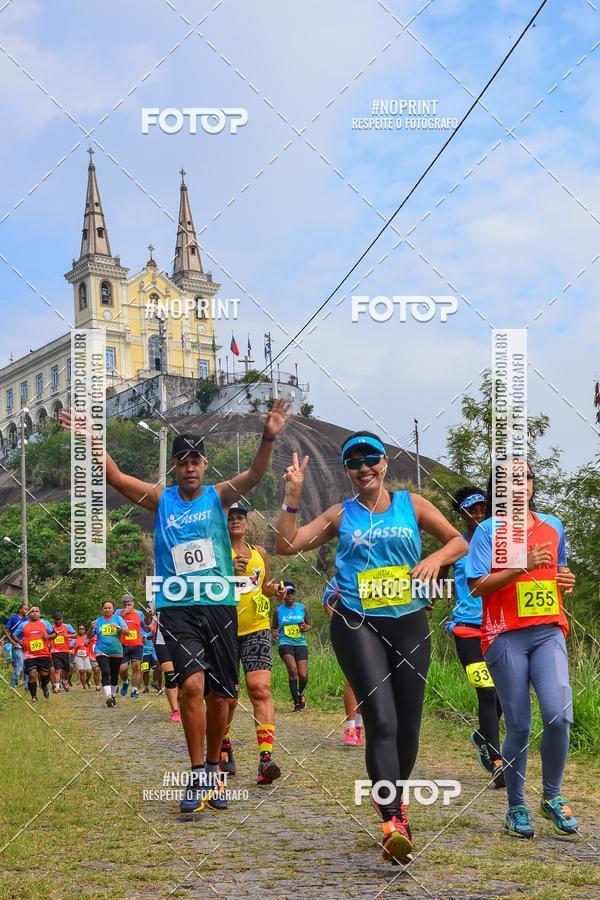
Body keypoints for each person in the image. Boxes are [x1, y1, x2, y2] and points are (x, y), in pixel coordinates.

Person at [61, 399, 291, 814]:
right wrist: (92, 440)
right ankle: (198, 769)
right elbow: (114, 477)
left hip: (220, 606)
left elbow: (256, 474)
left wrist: (269, 435)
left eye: (196, 461)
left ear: (204, 466)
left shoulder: (219, 496)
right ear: (174, 467)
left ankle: (218, 768)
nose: (189, 468)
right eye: (182, 461)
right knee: (191, 686)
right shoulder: (161, 499)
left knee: (221, 696)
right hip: (178, 607)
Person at [276, 434, 467, 864]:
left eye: (371, 459)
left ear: (384, 463)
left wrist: (437, 560)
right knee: (381, 718)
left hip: (409, 621)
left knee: (409, 726)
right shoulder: (340, 515)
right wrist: (292, 498)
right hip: (356, 621)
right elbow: (286, 545)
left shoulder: (412, 505)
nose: (363, 467)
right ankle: (393, 820)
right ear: (346, 471)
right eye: (353, 462)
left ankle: (395, 796)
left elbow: (459, 541)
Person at [467, 463, 579, 839]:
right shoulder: (486, 532)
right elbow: (478, 586)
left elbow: (558, 574)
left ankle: (552, 797)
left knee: (558, 714)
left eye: (525, 478)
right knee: (520, 723)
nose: (519, 485)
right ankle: (516, 805)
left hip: (548, 631)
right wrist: (520, 564)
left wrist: (566, 580)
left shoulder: (553, 525)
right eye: (508, 482)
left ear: (532, 486)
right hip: (504, 635)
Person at [445, 486, 505, 788]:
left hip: (498, 627)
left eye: (482, 508)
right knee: (487, 691)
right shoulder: (456, 547)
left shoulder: (498, 544)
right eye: (471, 510)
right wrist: (428, 598)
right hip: (467, 629)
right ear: (462, 515)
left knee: (505, 692)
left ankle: (483, 736)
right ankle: (497, 761)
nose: (478, 514)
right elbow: (435, 574)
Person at [223, 502, 286, 785]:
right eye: (231, 518)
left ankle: (265, 759)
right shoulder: (216, 553)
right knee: (228, 697)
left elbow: (261, 587)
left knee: (259, 688)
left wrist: (274, 591)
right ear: (224, 524)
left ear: (247, 524)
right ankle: (223, 744)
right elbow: (201, 586)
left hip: (257, 627)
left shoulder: (259, 553)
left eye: (240, 518)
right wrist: (226, 571)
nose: (236, 521)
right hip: (223, 629)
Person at [322, 577, 363, 747]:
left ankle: (359, 725)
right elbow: (327, 600)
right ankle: (350, 727)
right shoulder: (342, 575)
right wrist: (338, 622)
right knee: (352, 678)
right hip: (350, 631)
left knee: (367, 682)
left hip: (374, 630)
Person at [272, 582, 311, 711]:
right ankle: (297, 704)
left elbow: (308, 626)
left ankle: (300, 693)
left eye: (292, 593)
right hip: (285, 642)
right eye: (287, 593)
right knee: (293, 671)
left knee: (303, 675)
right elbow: (273, 628)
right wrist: (274, 632)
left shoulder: (302, 608)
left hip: (300, 643)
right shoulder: (278, 610)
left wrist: (306, 627)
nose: (290, 595)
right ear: (283, 595)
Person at [12, 606, 56, 702]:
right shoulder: (23, 625)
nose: (35, 613)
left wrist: (48, 636)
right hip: (29, 654)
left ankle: (44, 686)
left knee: (45, 675)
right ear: (29, 614)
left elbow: (54, 634)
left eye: (37, 611)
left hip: (43, 654)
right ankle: (34, 697)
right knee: (32, 674)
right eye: (32, 611)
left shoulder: (45, 623)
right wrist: (19, 641)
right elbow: (14, 635)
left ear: (39, 613)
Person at [89, 600, 128, 707]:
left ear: (113, 609)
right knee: (105, 671)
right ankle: (108, 696)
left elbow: (127, 632)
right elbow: (89, 636)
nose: (107, 610)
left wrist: (119, 627)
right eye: (105, 608)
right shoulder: (98, 621)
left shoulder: (118, 619)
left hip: (116, 651)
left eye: (109, 608)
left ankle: (113, 695)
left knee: (114, 674)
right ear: (102, 609)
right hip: (101, 650)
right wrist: (91, 628)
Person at [116, 594, 145, 700]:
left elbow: (144, 625)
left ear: (133, 603)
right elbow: (114, 623)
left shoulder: (139, 613)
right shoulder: (118, 612)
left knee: (137, 667)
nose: (127, 606)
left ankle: (134, 690)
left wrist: (148, 628)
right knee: (122, 669)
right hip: (123, 644)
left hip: (137, 644)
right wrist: (123, 614)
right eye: (124, 605)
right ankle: (125, 682)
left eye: (129, 604)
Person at [4, 602, 29, 689]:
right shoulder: (14, 618)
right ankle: (13, 686)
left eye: (27, 609)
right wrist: (12, 642)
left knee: (28, 667)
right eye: (25, 609)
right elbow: (6, 631)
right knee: (19, 667)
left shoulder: (27, 619)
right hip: (17, 646)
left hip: (26, 646)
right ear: (20, 610)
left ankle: (27, 687)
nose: (27, 611)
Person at [49, 614, 76, 693]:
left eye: (59, 619)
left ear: (62, 619)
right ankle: (57, 687)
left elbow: (75, 635)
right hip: (55, 651)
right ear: (54, 620)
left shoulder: (67, 626)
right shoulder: (51, 627)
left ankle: (65, 681)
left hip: (65, 651)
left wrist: (67, 636)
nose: (58, 621)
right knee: (58, 670)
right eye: (56, 620)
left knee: (67, 670)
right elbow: (47, 636)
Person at [73, 625, 92, 689]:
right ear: (78, 630)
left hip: (86, 656)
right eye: (80, 628)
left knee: (89, 671)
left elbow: (91, 646)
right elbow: (70, 646)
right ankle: (84, 685)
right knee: (81, 671)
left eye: (83, 629)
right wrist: (75, 646)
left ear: (85, 630)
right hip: (78, 656)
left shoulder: (87, 637)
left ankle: (87, 680)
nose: (81, 630)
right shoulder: (75, 637)